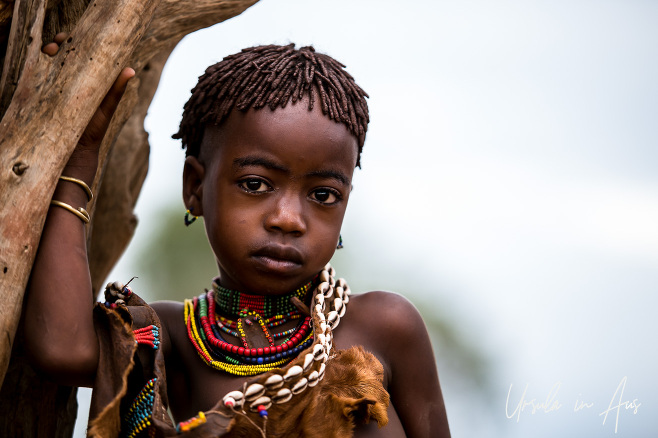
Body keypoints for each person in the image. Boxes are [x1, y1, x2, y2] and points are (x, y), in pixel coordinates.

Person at [25, 35, 450, 437]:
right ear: (195, 187)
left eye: (323, 195)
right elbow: (63, 348)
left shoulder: (387, 325)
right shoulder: (178, 336)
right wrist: (78, 162)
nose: (288, 219)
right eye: (255, 184)